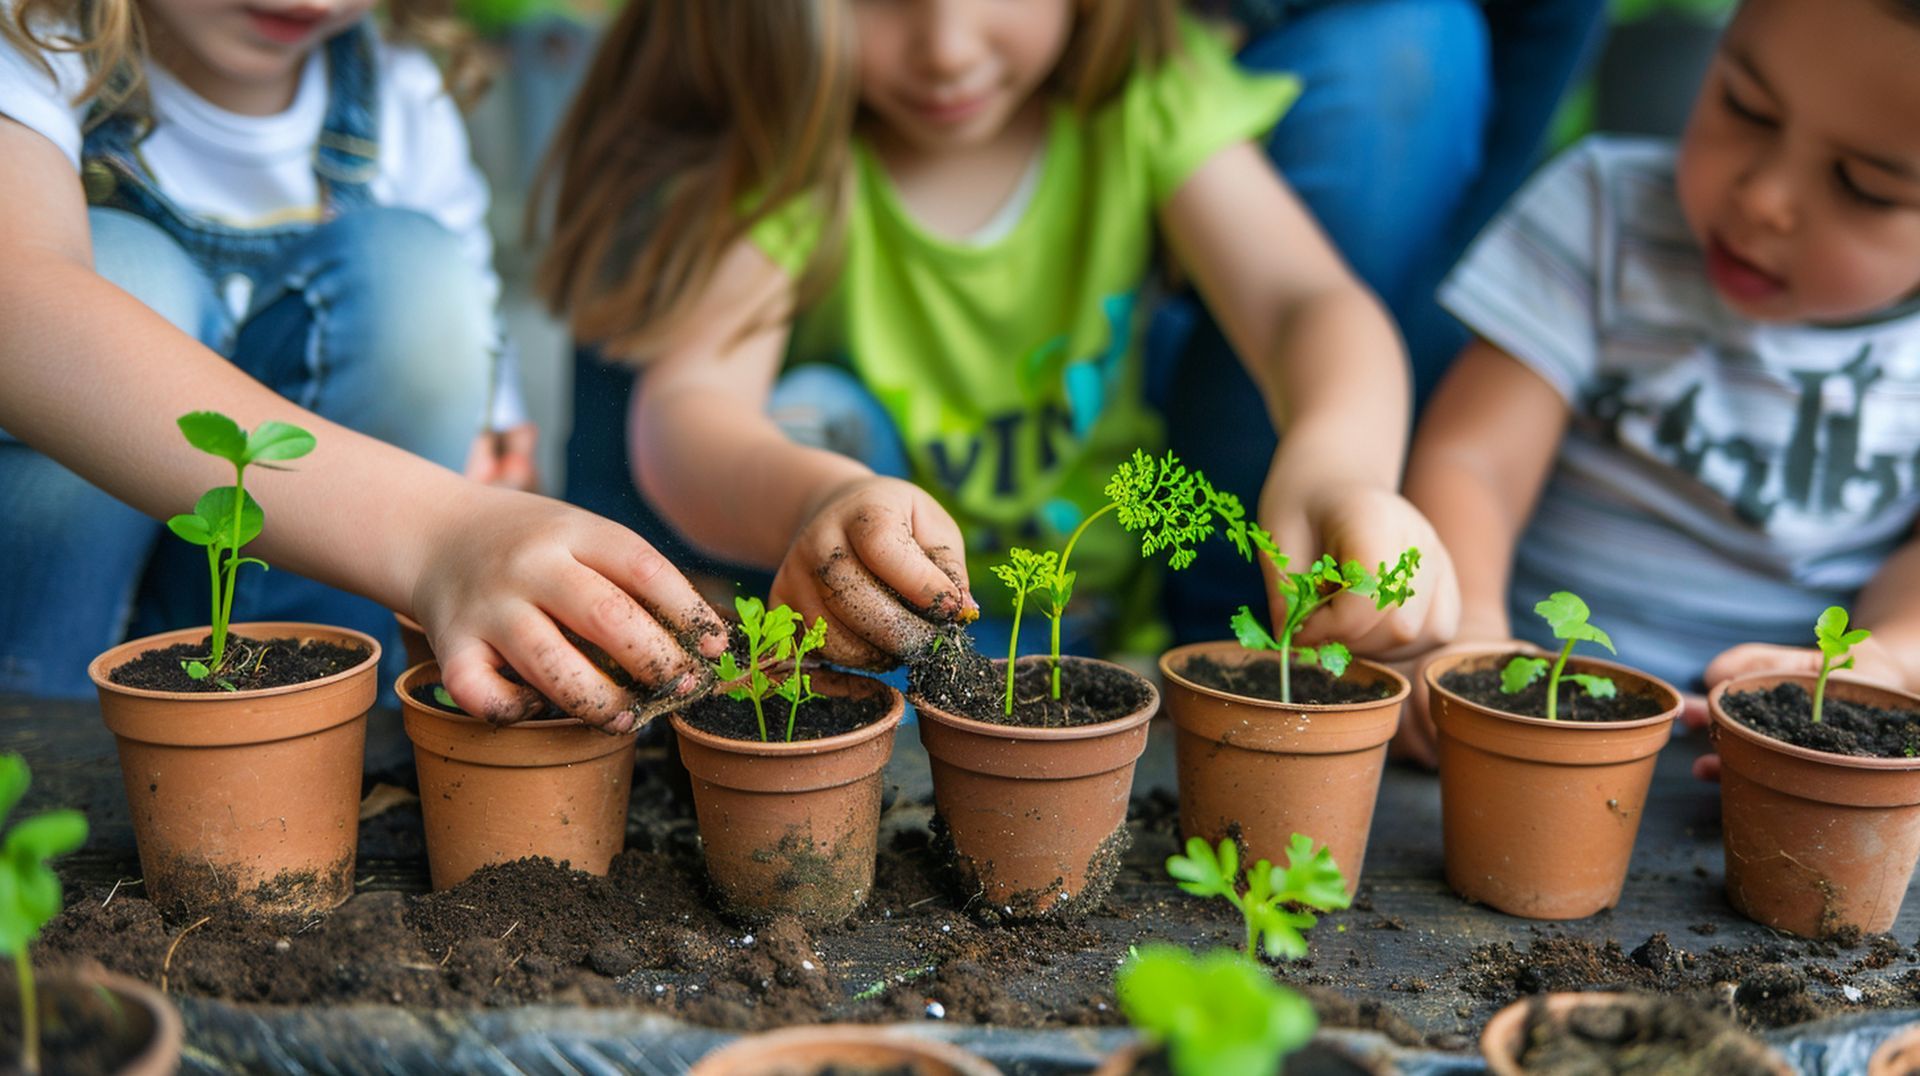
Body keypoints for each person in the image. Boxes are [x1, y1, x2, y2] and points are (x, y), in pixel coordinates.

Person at [537, 0, 1458, 671]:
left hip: (1096, 645)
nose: (946, 47)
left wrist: (1341, 465)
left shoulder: (1139, 98)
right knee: (814, 414)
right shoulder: (799, 158)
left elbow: (1307, 303)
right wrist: (823, 499)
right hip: (874, 641)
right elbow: (688, 411)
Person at [0, 0, 724, 720]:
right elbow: (20, 302)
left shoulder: (399, 92)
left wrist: (488, 475)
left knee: (413, 276)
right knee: (129, 272)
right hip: (52, 621)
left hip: (279, 609)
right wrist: (442, 531)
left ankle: (308, 719)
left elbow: (477, 387)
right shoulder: (33, 42)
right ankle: (37, 745)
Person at [1399, 0, 1920, 769]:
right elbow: (1473, 460)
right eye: (1744, 107)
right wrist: (1468, 634)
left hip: (1784, 746)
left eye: (1865, 185)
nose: (1763, 199)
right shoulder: (1603, 215)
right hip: (1541, 720)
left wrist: (1884, 667)